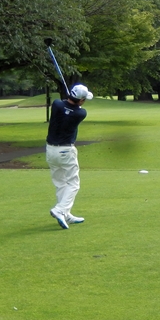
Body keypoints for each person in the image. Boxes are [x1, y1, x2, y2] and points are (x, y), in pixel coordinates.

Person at [46, 83, 93, 229]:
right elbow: (73, 108)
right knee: (73, 184)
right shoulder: (80, 113)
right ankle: (60, 210)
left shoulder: (57, 104)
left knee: (60, 183)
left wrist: (69, 98)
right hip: (66, 151)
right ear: (81, 100)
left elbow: (63, 104)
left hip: (50, 150)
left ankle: (66, 214)